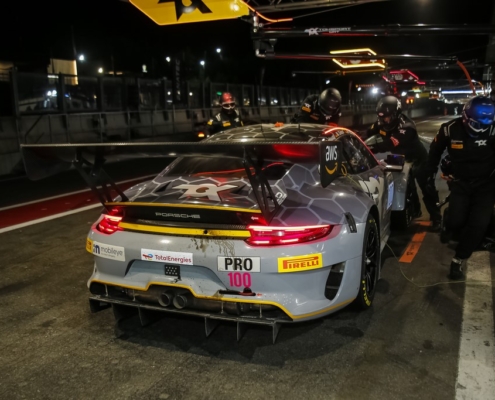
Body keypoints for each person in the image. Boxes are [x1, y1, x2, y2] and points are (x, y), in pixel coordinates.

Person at [423, 96, 495, 280]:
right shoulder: (449, 129)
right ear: (465, 118)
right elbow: (435, 151)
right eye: (477, 125)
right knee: (456, 221)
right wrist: (429, 175)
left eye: (485, 125)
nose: (481, 129)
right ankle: (449, 220)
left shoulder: (493, 129)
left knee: (480, 223)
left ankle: (459, 258)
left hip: (486, 184)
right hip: (460, 182)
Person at [366, 95, 442, 229]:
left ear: (396, 114)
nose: (384, 120)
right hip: (400, 158)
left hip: (419, 159)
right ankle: (415, 210)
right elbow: (368, 134)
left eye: (387, 117)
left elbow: (390, 144)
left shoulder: (407, 126)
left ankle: (436, 218)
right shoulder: (380, 123)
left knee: (427, 188)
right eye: (382, 117)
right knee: (405, 187)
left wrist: (371, 148)